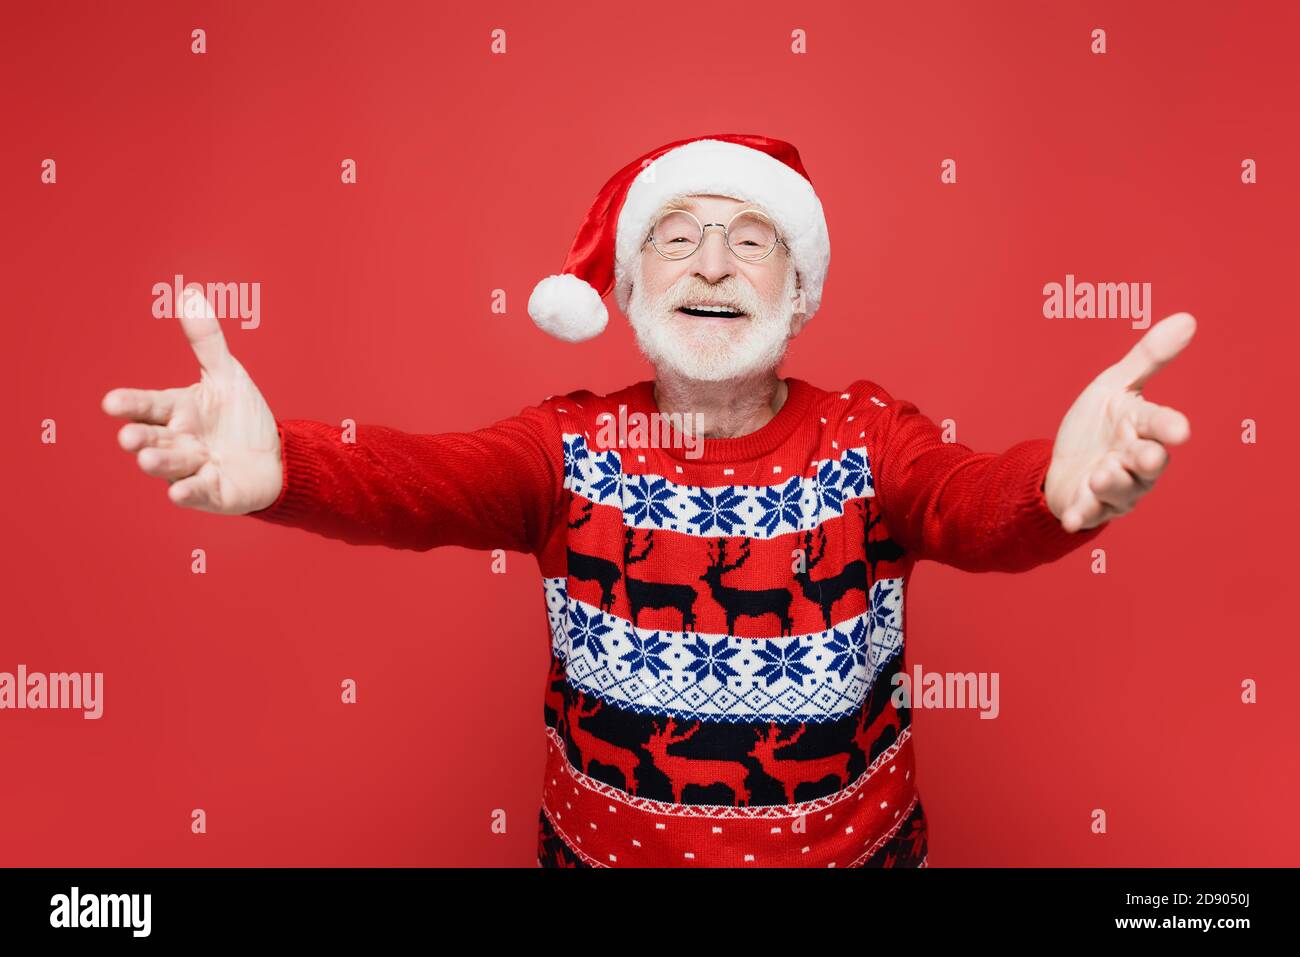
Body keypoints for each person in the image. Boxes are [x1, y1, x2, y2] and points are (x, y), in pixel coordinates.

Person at [101, 133, 1194, 867]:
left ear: (798, 293)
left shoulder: (870, 436)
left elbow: (968, 503)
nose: (711, 265)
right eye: (676, 238)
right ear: (626, 291)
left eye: (750, 241)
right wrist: (286, 464)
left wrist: (1056, 488)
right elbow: (415, 482)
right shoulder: (565, 445)